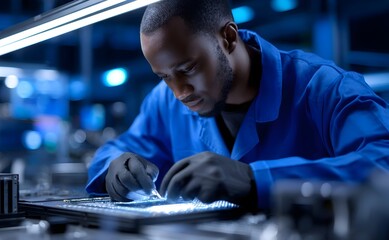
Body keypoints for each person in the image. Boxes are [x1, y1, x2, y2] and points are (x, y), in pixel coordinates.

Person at [86, 0, 389, 210]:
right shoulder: (165, 102)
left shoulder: (325, 88)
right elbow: (116, 151)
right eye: (164, 76)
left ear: (228, 38)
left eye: (188, 69)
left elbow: (382, 163)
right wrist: (115, 167)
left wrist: (255, 180)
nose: (179, 92)